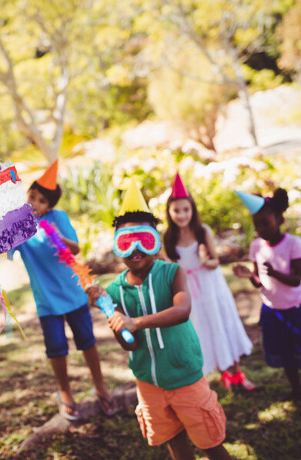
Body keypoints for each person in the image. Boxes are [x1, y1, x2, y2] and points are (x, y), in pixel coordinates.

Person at [87, 180, 231, 460]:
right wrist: (112, 314)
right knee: (175, 442)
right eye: (126, 242)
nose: (136, 248)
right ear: (117, 246)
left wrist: (135, 322)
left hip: (186, 377)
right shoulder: (115, 289)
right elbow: (129, 344)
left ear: (155, 240)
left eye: (145, 239)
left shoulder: (172, 272)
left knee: (210, 442)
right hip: (148, 383)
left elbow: (182, 310)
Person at [9, 159, 117, 420]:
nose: (33, 202)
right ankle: (64, 390)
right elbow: (7, 249)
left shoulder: (58, 218)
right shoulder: (19, 226)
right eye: (31, 196)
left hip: (73, 293)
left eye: (41, 200)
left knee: (87, 342)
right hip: (47, 300)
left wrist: (57, 235)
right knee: (56, 348)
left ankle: (99, 384)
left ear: (50, 206)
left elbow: (76, 249)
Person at [163, 173, 253, 391]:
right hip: (189, 290)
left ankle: (237, 371)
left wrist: (205, 259)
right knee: (204, 327)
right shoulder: (168, 238)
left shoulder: (203, 232)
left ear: (192, 210)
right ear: (169, 212)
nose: (182, 215)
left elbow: (214, 262)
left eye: (186, 209)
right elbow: (171, 268)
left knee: (220, 323)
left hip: (211, 287)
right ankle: (223, 373)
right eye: (176, 210)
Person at [233, 188, 301, 401]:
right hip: (272, 310)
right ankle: (296, 389)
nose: (261, 229)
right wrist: (248, 276)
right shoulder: (256, 246)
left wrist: (275, 273)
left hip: (294, 308)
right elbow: (259, 281)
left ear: (279, 219)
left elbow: (297, 279)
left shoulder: (294, 244)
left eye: (265, 223)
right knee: (285, 354)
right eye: (257, 225)